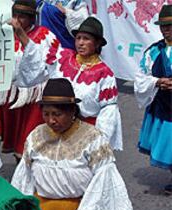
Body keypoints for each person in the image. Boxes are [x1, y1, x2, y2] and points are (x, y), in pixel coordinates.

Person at [12, 78, 134, 210]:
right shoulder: (36, 136)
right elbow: (25, 175)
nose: (51, 120)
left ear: (72, 112)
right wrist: (22, 206)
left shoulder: (92, 137)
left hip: (84, 206)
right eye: (46, 114)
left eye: (57, 114)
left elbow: (103, 178)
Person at [13, 16, 123, 151]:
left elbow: (108, 113)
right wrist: (20, 33)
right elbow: (36, 54)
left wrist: (98, 142)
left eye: (86, 39)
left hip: (83, 134)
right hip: (53, 126)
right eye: (78, 38)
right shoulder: (61, 57)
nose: (81, 43)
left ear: (97, 43)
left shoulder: (105, 75)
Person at [0, 0, 59, 161]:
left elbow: (43, 65)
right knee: (15, 136)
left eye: (22, 17)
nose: (17, 20)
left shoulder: (46, 36)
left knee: (30, 135)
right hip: (11, 94)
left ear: (32, 19)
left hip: (34, 98)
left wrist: (21, 34)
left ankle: (34, 171)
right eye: (15, 16)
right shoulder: (4, 35)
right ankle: (20, 168)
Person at [134, 4, 172, 194]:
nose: (167, 29)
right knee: (168, 143)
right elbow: (141, 76)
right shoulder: (153, 51)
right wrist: (157, 82)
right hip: (164, 107)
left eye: (171, 25)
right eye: (164, 26)